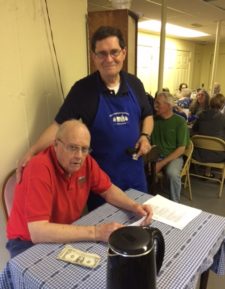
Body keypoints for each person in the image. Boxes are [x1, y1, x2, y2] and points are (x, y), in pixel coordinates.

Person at [17, 26, 153, 211]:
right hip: (101, 183)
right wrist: (31, 152)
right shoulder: (83, 90)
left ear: (124, 52)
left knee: (140, 224)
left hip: (135, 175)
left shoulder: (135, 84)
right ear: (94, 56)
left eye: (114, 52)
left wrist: (145, 136)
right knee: (107, 233)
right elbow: (59, 126)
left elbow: (148, 115)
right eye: (102, 54)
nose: (109, 59)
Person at [6, 120, 153, 258]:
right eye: (72, 148)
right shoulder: (39, 168)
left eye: (84, 149)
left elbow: (108, 190)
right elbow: (38, 232)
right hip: (26, 242)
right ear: (56, 145)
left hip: (63, 229)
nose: (79, 156)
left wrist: (134, 206)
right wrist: (95, 232)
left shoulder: (86, 161)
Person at [151, 92, 189, 202]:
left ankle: (175, 204)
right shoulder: (153, 120)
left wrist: (161, 163)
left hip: (174, 156)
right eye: (155, 102)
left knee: (172, 174)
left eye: (158, 103)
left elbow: (181, 149)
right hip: (156, 156)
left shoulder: (180, 122)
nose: (155, 106)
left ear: (168, 106)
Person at [191, 93, 225, 163]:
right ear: (222, 105)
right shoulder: (223, 118)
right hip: (219, 156)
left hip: (198, 154)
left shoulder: (200, 115)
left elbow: (193, 132)